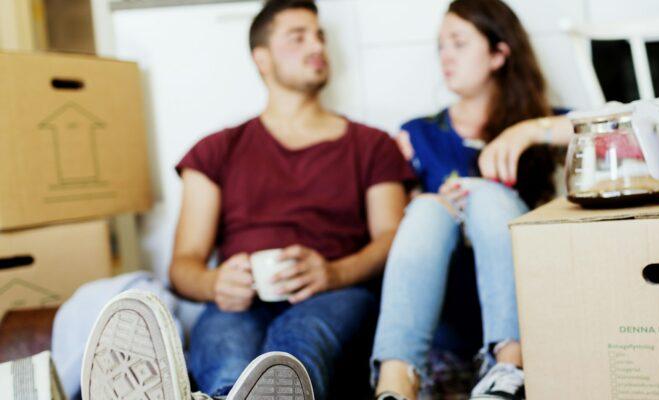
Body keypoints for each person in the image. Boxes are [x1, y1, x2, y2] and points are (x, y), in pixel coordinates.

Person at [81, 1, 413, 399]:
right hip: (241, 299)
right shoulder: (216, 150)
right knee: (226, 348)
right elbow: (183, 265)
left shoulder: (372, 145)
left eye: (320, 36)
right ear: (262, 58)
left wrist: (334, 273)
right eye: (298, 36)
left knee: (300, 339)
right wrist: (215, 282)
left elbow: (393, 235)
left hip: (334, 293)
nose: (317, 46)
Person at [370, 1, 574, 399]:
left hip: (526, 313)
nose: (445, 56)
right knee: (428, 208)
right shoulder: (417, 135)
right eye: (441, 46)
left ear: (499, 54)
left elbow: (625, 128)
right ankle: (395, 385)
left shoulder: (544, 124)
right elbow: (397, 232)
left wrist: (530, 131)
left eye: (459, 43)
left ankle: (510, 368)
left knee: (479, 192)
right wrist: (441, 207)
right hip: (446, 318)